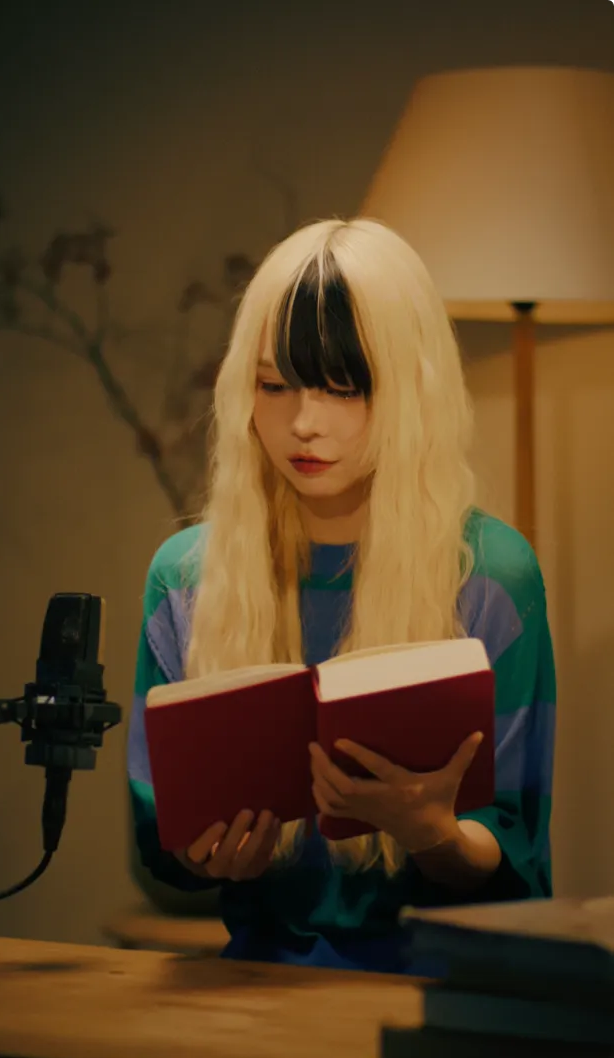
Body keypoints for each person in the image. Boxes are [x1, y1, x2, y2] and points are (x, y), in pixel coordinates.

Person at [127, 217, 556, 974]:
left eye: (344, 388)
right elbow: (160, 836)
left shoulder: (490, 576)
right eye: (274, 385)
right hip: (255, 985)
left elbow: (513, 857)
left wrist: (433, 834)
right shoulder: (187, 578)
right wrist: (205, 856)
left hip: (438, 989)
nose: (303, 423)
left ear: (411, 390)